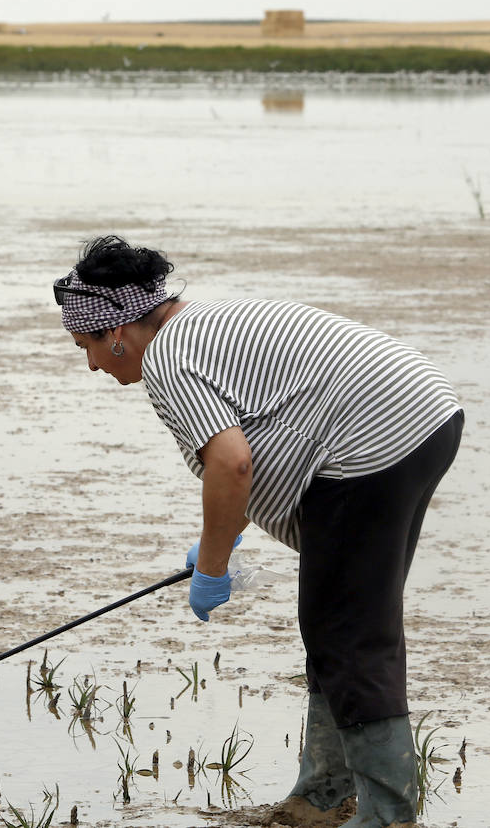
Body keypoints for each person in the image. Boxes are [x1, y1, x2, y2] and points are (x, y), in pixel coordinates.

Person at [53, 236, 463, 828]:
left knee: (350, 632)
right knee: (336, 621)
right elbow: (266, 435)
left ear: (115, 330)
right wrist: (224, 535)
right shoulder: (199, 322)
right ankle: (324, 796)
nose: (92, 364)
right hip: (424, 414)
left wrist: (214, 566)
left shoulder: (168, 358)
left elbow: (232, 462)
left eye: (86, 346)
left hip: (373, 441)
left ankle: (387, 818)